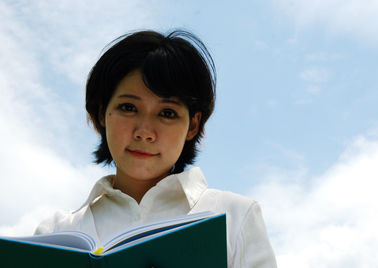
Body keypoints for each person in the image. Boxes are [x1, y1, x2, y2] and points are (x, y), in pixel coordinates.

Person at [35, 29, 277, 267]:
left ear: (192, 125)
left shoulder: (235, 217)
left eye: (167, 113)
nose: (145, 131)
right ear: (101, 113)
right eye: (129, 107)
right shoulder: (55, 234)